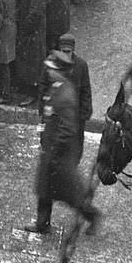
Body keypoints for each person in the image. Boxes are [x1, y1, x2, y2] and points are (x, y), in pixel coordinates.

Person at [20, 51, 99, 236]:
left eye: (51, 69)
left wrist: (54, 151)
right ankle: (42, 223)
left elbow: (68, 128)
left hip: (59, 152)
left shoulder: (65, 94)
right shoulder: (58, 87)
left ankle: (92, 216)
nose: (47, 71)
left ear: (59, 71)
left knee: (70, 193)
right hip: (52, 149)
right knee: (45, 188)